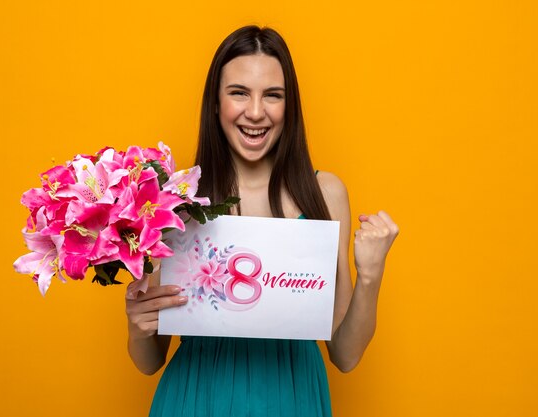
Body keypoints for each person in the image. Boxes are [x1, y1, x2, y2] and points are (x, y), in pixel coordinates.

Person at [125, 25, 399, 417]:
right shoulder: (178, 197)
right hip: (196, 398)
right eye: (239, 92)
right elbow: (149, 361)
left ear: (290, 106)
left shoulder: (326, 193)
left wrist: (370, 277)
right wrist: (137, 324)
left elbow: (345, 355)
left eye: (272, 95)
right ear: (215, 103)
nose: (256, 112)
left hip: (292, 397)